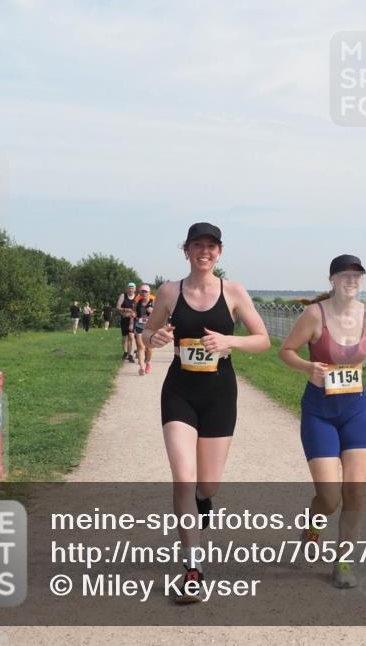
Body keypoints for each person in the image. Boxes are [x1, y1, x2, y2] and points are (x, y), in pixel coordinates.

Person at [141, 222, 270, 603]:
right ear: (186, 250)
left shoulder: (234, 292)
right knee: (183, 477)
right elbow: (147, 332)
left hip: (219, 394)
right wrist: (155, 337)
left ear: (220, 252)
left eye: (211, 246)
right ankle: (192, 570)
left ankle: (203, 498)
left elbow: (263, 340)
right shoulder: (170, 291)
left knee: (207, 484)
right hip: (179, 391)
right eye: (197, 245)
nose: (204, 251)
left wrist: (230, 340)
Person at [278, 254, 366, 589]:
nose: (351, 281)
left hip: (356, 411)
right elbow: (286, 351)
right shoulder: (314, 315)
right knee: (329, 498)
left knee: (355, 492)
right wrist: (308, 367)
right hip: (319, 412)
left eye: (357, 276)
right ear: (332, 279)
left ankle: (343, 562)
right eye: (345, 275)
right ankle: (312, 526)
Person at [133, 284, 155, 375]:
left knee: (149, 347)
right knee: (140, 346)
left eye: (145, 291)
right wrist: (133, 316)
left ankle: (148, 362)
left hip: (150, 327)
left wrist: (153, 311)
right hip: (139, 326)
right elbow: (134, 311)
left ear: (149, 293)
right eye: (142, 291)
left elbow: (160, 313)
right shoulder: (138, 302)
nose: (144, 293)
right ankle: (142, 367)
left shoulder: (153, 302)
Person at [117, 283, 138, 362]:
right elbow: (118, 307)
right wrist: (126, 309)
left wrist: (134, 315)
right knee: (124, 338)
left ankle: (131, 355)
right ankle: (125, 352)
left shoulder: (137, 297)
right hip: (124, 319)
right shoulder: (123, 295)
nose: (130, 289)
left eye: (132, 288)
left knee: (131, 337)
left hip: (133, 319)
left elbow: (138, 308)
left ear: (135, 289)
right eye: (129, 288)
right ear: (127, 288)